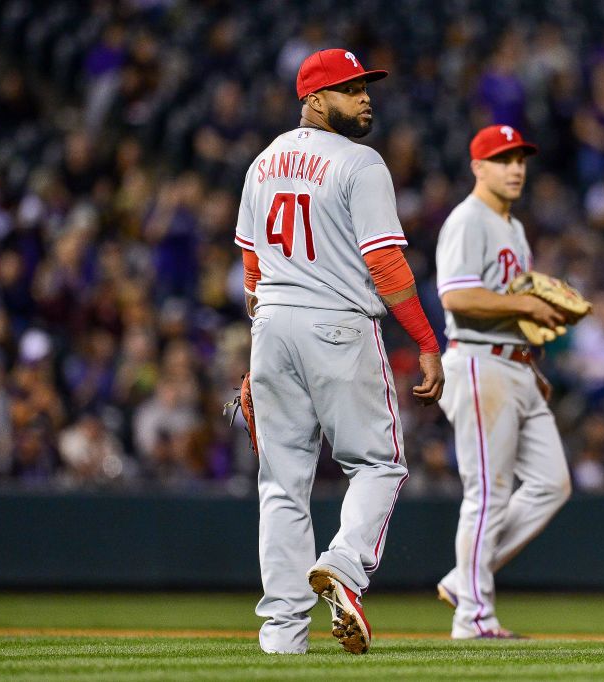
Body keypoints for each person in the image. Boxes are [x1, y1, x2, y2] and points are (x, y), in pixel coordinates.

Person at [235, 48, 444, 655]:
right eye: (350, 88)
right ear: (313, 98)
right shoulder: (360, 162)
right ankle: (347, 569)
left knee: (280, 483)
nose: (364, 97)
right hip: (337, 325)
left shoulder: (262, 162)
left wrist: (262, 351)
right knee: (379, 464)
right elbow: (384, 262)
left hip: (271, 324)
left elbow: (252, 270)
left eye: (365, 87)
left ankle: (281, 635)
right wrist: (427, 342)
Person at [433, 125, 572, 639]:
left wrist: (530, 362)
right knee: (488, 492)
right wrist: (525, 304)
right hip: (475, 363)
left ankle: (462, 577)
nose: (515, 168)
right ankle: (474, 617)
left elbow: (509, 305)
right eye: (502, 158)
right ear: (478, 167)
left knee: (550, 484)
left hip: (512, 365)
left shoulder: (512, 227)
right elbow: (455, 296)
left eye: (520, 158)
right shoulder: (468, 220)